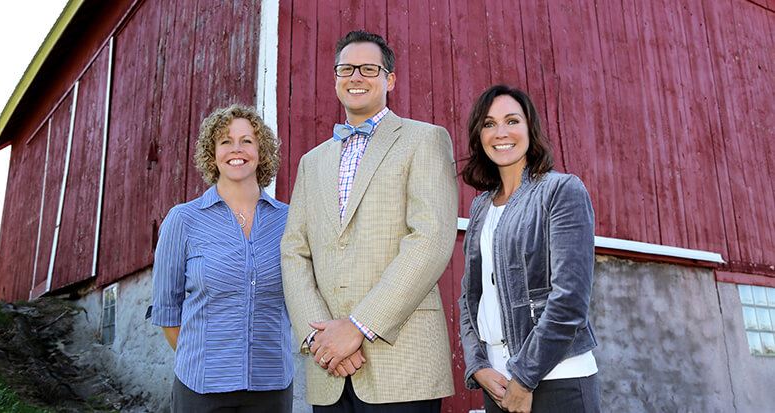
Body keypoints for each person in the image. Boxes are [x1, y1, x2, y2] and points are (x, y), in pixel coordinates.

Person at [281, 30, 457, 412]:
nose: (356, 77)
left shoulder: (423, 140)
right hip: (330, 369)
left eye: (368, 68)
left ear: (389, 79)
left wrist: (357, 326)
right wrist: (320, 340)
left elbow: (430, 240)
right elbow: (294, 253)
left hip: (403, 367)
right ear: (335, 78)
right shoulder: (312, 162)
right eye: (346, 69)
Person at [458, 85, 601, 413]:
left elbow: (570, 300)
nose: (501, 133)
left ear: (530, 128)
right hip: (498, 382)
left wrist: (524, 377)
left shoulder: (561, 191)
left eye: (512, 121)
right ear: (479, 135)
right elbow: (469, 299)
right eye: (489, 124)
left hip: (557, 378)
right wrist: (478, 366)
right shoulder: (480, 206)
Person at [151, 104, 292, 413]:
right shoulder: (183, 220)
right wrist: (206, 358)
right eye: (225, 141)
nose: (236, 149)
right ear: (212, 153)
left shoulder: (290, 220)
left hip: (271, 386)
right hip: (201, 387)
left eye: (247, 140)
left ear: (261, 150)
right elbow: (166, 310)